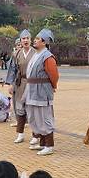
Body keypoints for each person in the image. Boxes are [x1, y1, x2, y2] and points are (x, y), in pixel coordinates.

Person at [25, 28, 59, 156]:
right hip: (32, 89)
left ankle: (49, 145)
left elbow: (54, 75)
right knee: (35, 116)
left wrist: (53, 86)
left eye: (37, 39)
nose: (34, 40)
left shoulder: (48, 57)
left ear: (44, 42)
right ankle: (43, 143)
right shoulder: (36, 54)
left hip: (42, 90)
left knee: (44, 117)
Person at [5, 29, 35, 143]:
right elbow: (12, 70)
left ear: (31, 40)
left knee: (32, 110)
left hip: (33, 83)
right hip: (20, 83)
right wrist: (11, 84)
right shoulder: (16, 53)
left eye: (28, 38)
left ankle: (35, 135)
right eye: (23, 38)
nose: (26, 40)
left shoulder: (36, 53)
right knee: (19, 109)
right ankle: (20, 134)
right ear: (20, 41)